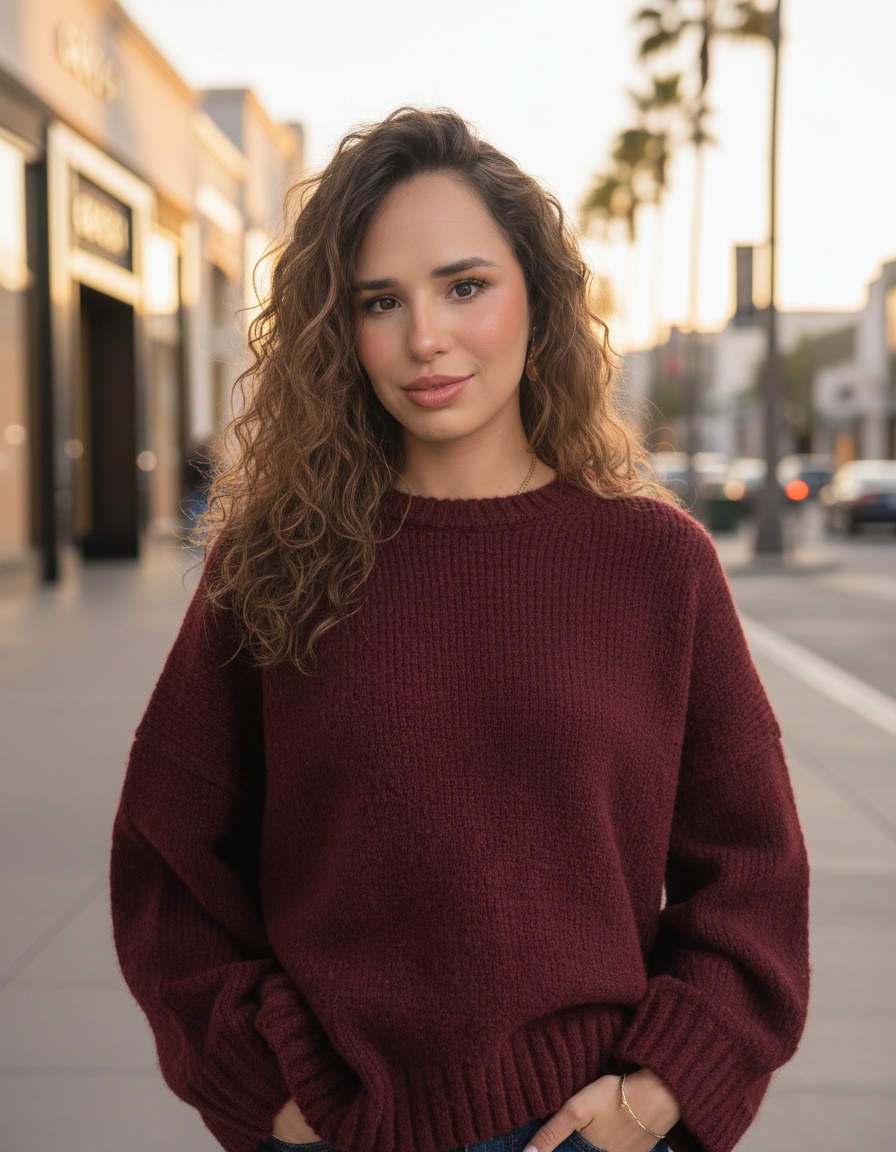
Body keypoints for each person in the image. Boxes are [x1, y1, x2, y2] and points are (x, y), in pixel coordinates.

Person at [110, 108, 810, 1152]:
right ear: (339, 331)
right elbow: (167, 856)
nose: (424, 338)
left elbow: (753, 875)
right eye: (380, 301)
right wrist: (268, 1085)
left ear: (538, 295)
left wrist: (656, 1094)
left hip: (587, 1129)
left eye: (464, 286)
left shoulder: (656, 565)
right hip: (341, 1127)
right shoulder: (271, 564)